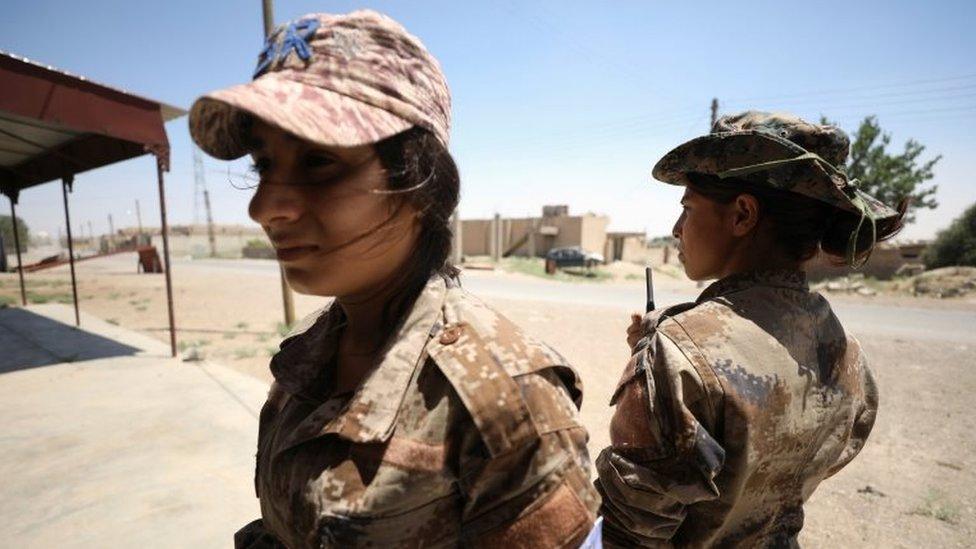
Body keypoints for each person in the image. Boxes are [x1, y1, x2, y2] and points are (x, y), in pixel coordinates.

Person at [189, 10, 597, 548]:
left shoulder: (503, 399)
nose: (264, 207)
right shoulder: (310, 355)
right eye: (264, 166)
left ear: (420, 185)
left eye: (318, 162)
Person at [596, 111, 904, 547]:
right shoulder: (845, 350)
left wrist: (666, 363)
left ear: (742, 215)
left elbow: (628, 533)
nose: (676, 229)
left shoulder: (680, 352)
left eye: (687, 208)